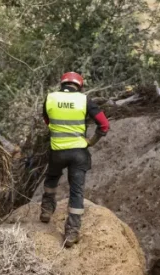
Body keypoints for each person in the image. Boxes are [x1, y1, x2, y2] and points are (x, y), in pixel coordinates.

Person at [39, 72, 110, 247]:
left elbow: (47, 120)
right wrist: (91, 141)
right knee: (76, 192)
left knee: (52, 178)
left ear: (62, 84)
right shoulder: (84, 100)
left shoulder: (50, 98)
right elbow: (104, 125)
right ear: (80, 86)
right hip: (78, 152)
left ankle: (47, 210)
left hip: (57, 150)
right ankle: (71, 232)